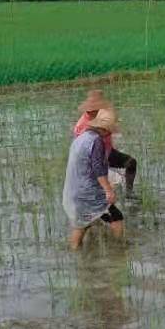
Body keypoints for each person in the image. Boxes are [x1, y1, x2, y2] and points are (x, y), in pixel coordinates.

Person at [64, 107, 124, 249]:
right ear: (104, 128)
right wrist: (108, 190)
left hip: (75, 189)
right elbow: (98, 168)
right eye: (110, 129)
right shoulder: (96, 141)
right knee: (116, 216)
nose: (111, 132)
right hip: (87, 192)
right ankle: (119, 249)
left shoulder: (82, 138)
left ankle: (76, 255)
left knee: (82, 224)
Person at [74, 89, 138, 195]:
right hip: (92, 159)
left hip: (107, 151)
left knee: (131, 163)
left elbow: (113, 121)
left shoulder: (101, 115)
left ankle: (129, 193)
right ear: (91, 110)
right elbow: (89, 157)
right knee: (103, 190)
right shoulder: (83, 128)